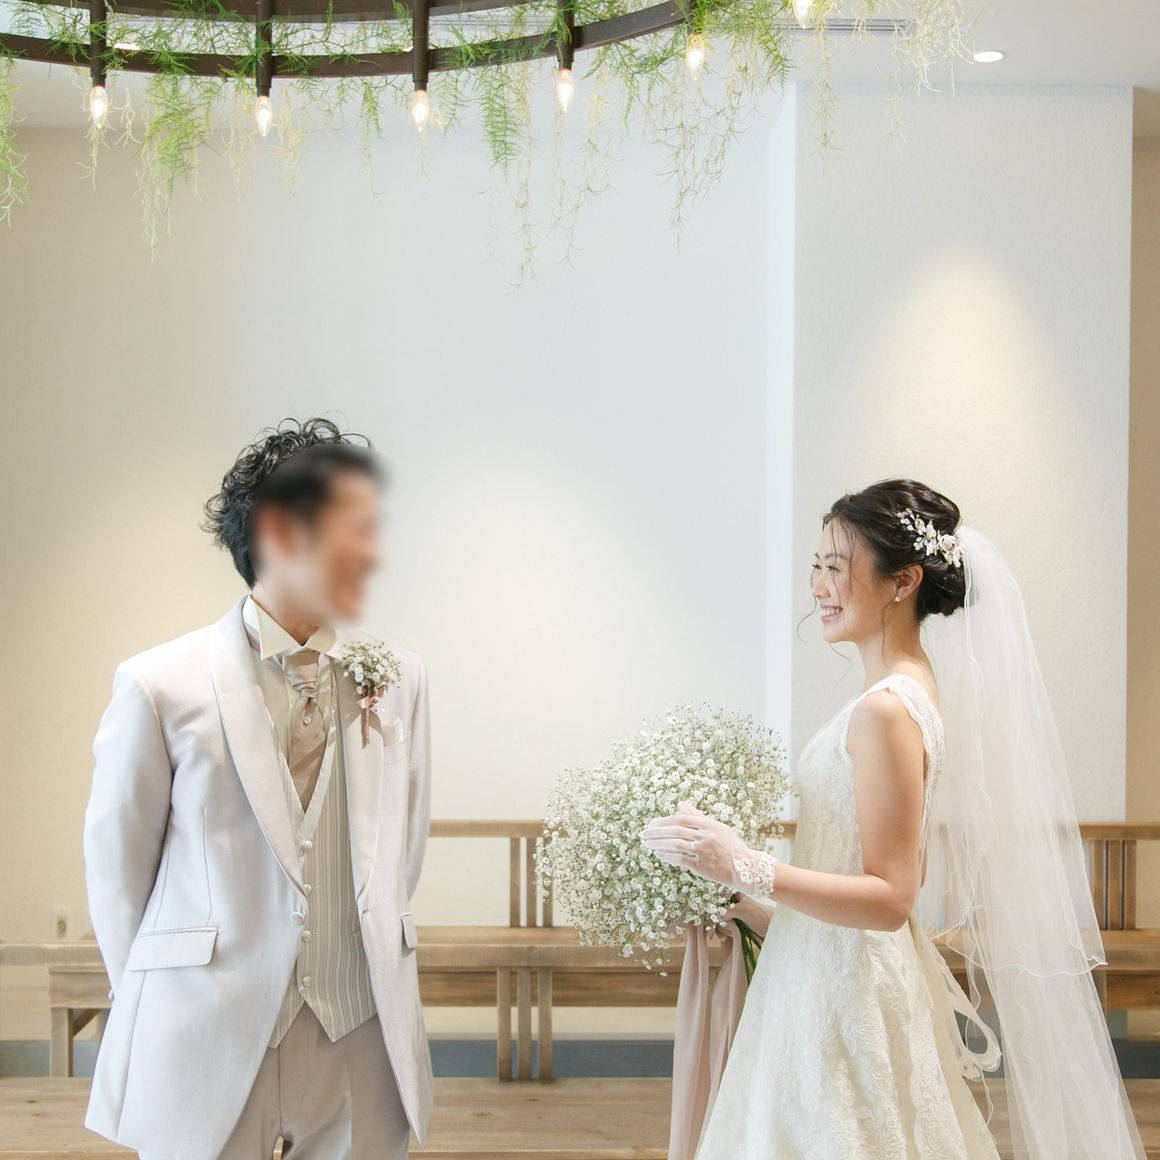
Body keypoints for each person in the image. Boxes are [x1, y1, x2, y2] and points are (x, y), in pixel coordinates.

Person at [644, 479, 1144, 1158]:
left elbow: (891, 897)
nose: (818, 586)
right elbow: (889, 870)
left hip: (845, 998)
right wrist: (752, 905)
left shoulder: (886, 709)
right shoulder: (905, 690)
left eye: (836, 567)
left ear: (903, 582)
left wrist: (743, 864)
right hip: (827, 976)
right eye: (816, 566)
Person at [83, 418, 432, 1160]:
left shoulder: (400, 677)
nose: (371, 553)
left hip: (358, 1025)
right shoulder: (159, 684)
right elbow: (118, 872)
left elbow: (401, 848)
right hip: (204, 1028)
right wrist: (157, 992)